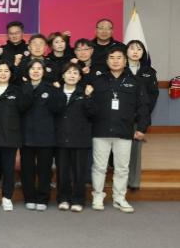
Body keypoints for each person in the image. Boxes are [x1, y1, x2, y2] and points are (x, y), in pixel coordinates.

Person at [91, 46, 151, 213]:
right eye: (112, 58)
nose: (115, 61)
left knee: (122, 168)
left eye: (119, 58)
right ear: (107, 61)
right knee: (99, 167)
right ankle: (97, 196)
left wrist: (142, 127)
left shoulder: (136, 82)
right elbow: (89, 106)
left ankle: (119, 198)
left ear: (125, 61)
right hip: (100, 131)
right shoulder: (98, 81)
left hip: (124, 131)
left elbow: (144, 106)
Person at [0, 60, 32, 211]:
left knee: (8, 170)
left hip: (10, 137)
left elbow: (24, 107)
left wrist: (27, 87)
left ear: (11, 74)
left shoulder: (16, 91)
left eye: (6, 71)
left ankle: (7, 197)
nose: (3, 73)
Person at [21, 59, 66, 211]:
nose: (35, 71)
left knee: (44, 170)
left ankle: (42, 198)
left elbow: (58, 108)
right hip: (26, 135)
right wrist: (29, 91)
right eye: (32, 68)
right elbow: (20, 108)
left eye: (39, 68)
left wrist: (57, 92)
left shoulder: (51, 88)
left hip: (46, 135)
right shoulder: (22, 88)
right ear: (28, 71)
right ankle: (29, 197)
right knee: (27, 170)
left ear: (44, 71)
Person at [56, 63, 96, 212]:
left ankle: (78, 200)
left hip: (80, 138)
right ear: (63, 75)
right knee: (62, 172)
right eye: (69, 72)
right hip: (61, 138)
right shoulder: (57, 92)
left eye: (75, 73)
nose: (72, 75)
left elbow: (93, 113)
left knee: (80, 172)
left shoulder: (85, 92)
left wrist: (88, 97)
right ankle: (63, 198)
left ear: (80, 77)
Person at [126, 40, 159, 189]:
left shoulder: (149, 72)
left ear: (143, 53)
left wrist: (143, 117)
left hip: (138, 119)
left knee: (135, 153)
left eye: (139, 49)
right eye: (132, 48)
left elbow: (152, 97)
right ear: (126, 51)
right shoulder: (119, 68)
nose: (135, 51)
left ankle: (133, 182)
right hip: (119, 118)